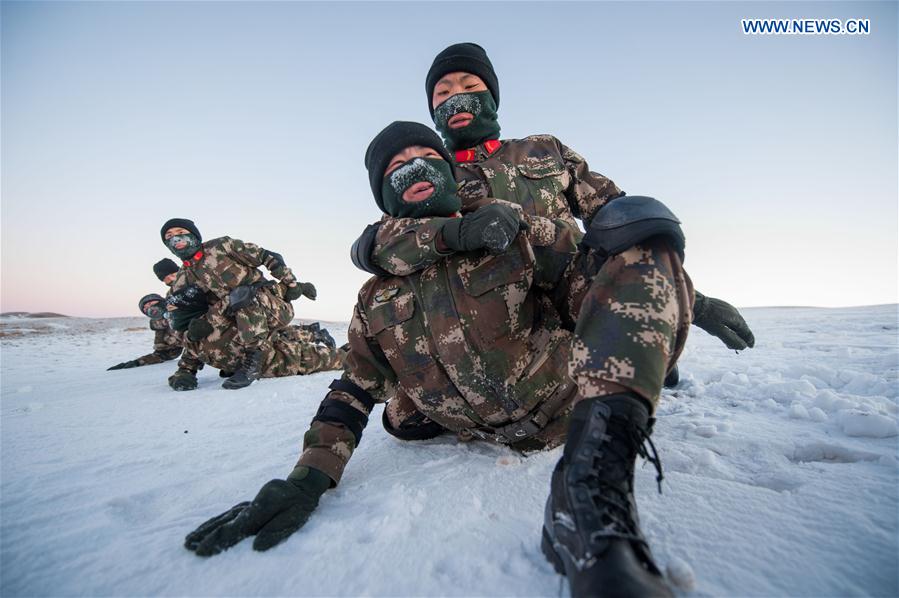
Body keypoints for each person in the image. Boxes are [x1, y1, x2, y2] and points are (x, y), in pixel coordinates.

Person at [185, 122, 692, 598]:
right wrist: (310, 476)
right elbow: (353, 390)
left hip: (562, 408)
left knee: (638, 231)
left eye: (428, 155)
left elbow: (608, 279)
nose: (414, 166)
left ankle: (589, 492)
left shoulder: (512, 234)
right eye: (396, 165)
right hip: (466, 423)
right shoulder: (375, 296)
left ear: (451, 174)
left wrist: (671, 298)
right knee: (396, 416)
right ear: (384, 195)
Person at [350, 43, 754, 376]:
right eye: (442, 93)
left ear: (491, 96)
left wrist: (688, 299)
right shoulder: (433, 175)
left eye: (469, 84)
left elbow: (618, 222)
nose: (455, 96)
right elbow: (387, 238)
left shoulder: (544, 150)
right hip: (498, 325)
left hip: (575, 297)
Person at [161, 218, 317, 389]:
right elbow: (185, 320)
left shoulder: (220, 246)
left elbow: (265, 256)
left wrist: (292, 283)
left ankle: (253, 362)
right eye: (169, 236)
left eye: (180, 233)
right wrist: (186, 367)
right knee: (196, 327)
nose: (175, 239)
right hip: (239, 323)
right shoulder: (182, 280)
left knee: (241, 294)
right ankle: (203, 368)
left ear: (194, 235)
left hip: (271, 309)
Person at [107, 293, 182, 370]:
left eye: (150, 303)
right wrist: (137, 362)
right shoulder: (161, 329)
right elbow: (165, 354)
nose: (149, 308)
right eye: (145, 309)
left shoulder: (183, 304)